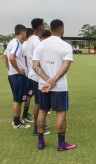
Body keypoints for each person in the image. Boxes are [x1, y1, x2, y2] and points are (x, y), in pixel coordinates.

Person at [33, 19, 76, 151]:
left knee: (42, 111)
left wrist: (47, 81)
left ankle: (40, 142)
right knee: (61, 113)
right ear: (62, 29)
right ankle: (61, 144)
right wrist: (53, 81)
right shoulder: (65, 46)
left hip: (43, 85)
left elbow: (35, 66)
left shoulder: (40, 45)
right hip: (60, 86)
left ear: (50, 29)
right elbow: (65, 67)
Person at [3, 24, 31, 129]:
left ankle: (17, 120)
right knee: (18, 100)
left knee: (17, 99)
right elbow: (11, 58)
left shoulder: (11, 42)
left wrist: (10, 69)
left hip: (13, 75)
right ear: (22, 32)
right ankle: (16, 123)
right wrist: (18, 70)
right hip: (17, 76)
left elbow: (4, 57)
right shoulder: (17, 43)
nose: (25, 35)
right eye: (25, 33)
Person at [26, 18, 50, 136]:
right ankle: (37, 129)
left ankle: (39, 126)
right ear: (40, 27)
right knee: (39, 103)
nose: (44, 26)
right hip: (37, 76)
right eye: (43, 25)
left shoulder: (30, 40)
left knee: (38, 103)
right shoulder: (37, 42)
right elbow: (40, 61)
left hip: (32, 74)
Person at [21, 28, 34, 123]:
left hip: (29, 73)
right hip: (29, 74)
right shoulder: (27, 44)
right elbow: (26, 60)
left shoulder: (26, 44)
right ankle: (24, 115)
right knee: (29, 95)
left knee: (30, 94)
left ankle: (25, 113)